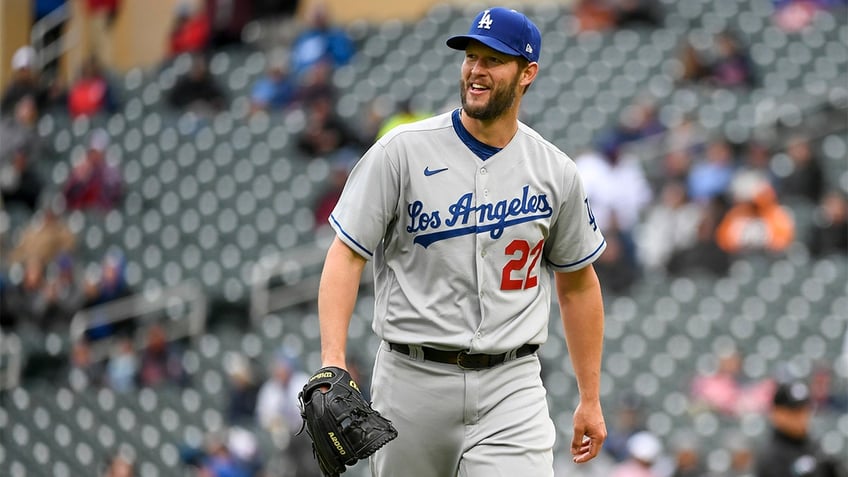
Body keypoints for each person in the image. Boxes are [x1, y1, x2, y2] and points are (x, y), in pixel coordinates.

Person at [313, 7, 607, 477]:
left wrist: (590, 398)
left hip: (512, 384)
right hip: (412, 380)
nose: (476, 69)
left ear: (527, 73)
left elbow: (578, 284)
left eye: (494, 59)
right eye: (471, 56)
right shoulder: (400, 151)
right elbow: (347, 255)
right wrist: (334, 358)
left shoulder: (555, 172)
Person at [755, 380, 846, 477]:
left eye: (805, 409)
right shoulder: (770, 456)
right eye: (794, 411)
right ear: (777, 413)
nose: (802, 416)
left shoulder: (816, 447)